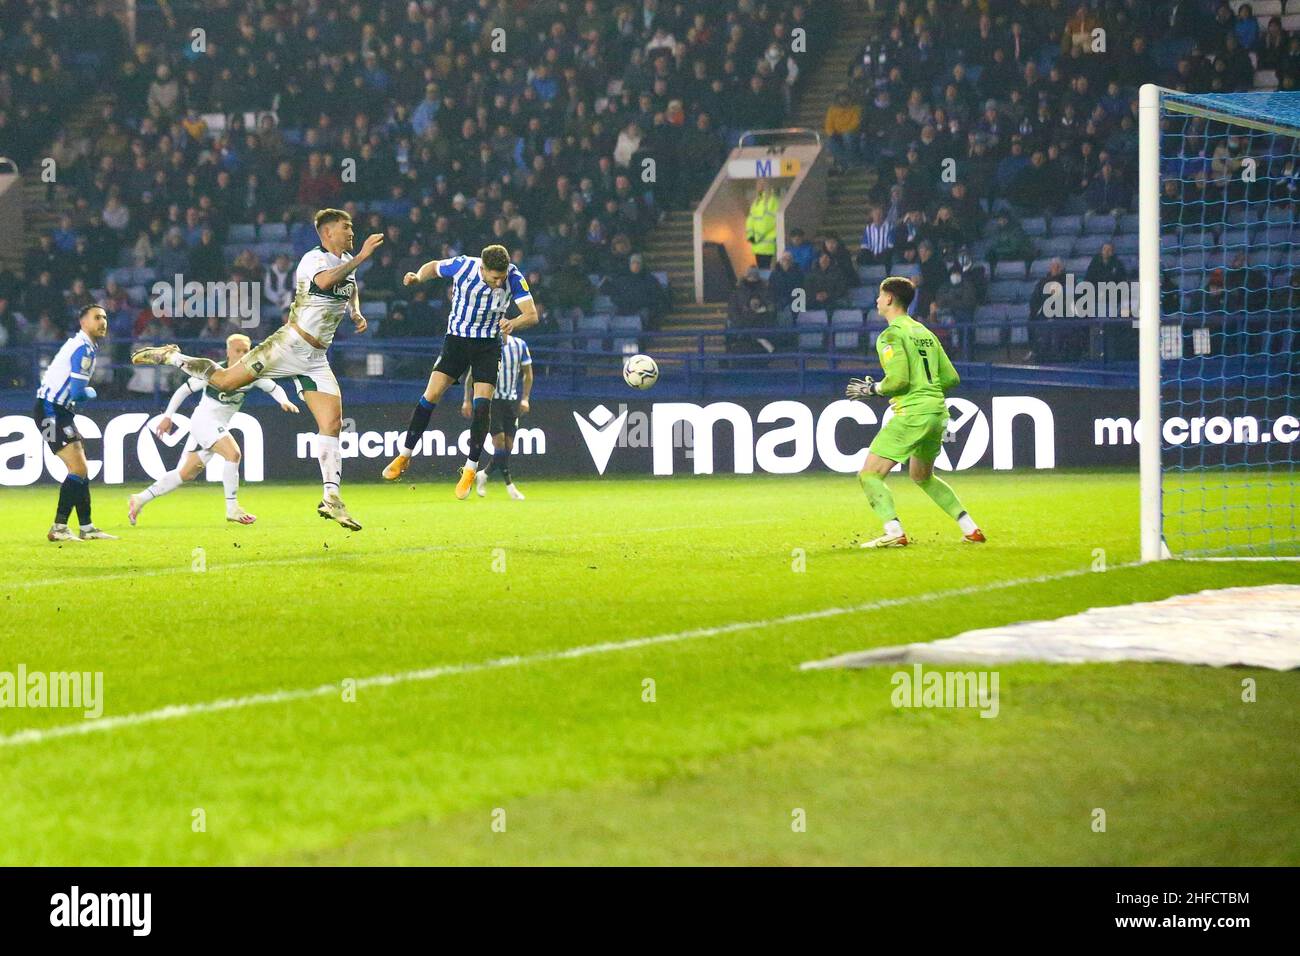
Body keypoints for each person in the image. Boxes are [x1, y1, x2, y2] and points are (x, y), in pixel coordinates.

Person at [130, 207, 384, 531]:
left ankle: (331, 498)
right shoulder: (314, 260)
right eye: (345, 228)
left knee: (332, 423)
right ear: (327, 233)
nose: (351, 232)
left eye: (351, 228)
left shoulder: (345, 263)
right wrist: (361, 256)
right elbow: (326, 282)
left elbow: (348, 286)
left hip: (317, 357)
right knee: (223, 381)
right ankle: (172, 357)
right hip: (289, 345)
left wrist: (356, 312)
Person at [382, 243, 540, 498]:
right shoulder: (464, 265)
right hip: (456, 341)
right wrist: (418, 277)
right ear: (483, 268)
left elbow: (531, 314)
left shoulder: (513, 276)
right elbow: (433, 267)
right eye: (494, 277)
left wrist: (513, 322)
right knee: (430, 396)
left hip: (488, 346)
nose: (499, 282)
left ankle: (470, 469)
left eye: (502, 277)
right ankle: (405, 455)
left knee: (481, 405)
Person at [845, 277, 984, 548]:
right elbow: (951, 377)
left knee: (869, 475)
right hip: (937, 413)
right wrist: (925, 390)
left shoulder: (891, 334)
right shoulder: (925, 333)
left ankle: (894, 531)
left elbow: (898, 380)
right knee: (922, 476)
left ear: (888, 299)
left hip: (914, 414)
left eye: (879, 295)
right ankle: (970, 528)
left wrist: (871, 389)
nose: (876, 300)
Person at [128, 333, 300, 526]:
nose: (243, 354)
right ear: (228, 352)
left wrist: (284, 400)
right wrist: (168, 416)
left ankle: (140, 498)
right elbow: (184, 390)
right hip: (204, 422)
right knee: (233, 454)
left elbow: (273, 387)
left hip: (216, 426)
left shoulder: (252, 374)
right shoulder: (215, 372)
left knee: (185, 474)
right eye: (238, 350)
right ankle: (232, 508)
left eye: (246, 350)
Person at [34, 305, 117, 541]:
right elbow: (79, 392)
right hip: (50, 411)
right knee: (78, 469)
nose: (103, 322)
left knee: (81, 469)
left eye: (105, 318)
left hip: (58, 412)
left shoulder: (85, 346)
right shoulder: (83, 349)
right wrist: (92, 392)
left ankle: (87, 526)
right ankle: (59, 528)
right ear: (83, 322)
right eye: (97, 317)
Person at [465, 332, 533, 500]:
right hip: (491, 401)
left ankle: (484, 474)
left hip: (510, 402)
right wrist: (466, 400)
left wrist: (525, 398)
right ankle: (510, 486)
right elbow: (470, 377)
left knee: (508, 447)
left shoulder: (520, 345)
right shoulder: (485, 347)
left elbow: (528, 374)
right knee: (500, 442)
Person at [745, 183, 779, 268]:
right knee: (762, 269)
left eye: (760, 185)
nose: (758, 187)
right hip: (758, 244)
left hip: (767, 244)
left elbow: (767, 222)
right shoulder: (757, 201)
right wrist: (750, 235)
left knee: (765, 269)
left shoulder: (772, 200)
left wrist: (754, 236)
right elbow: (750, 220)